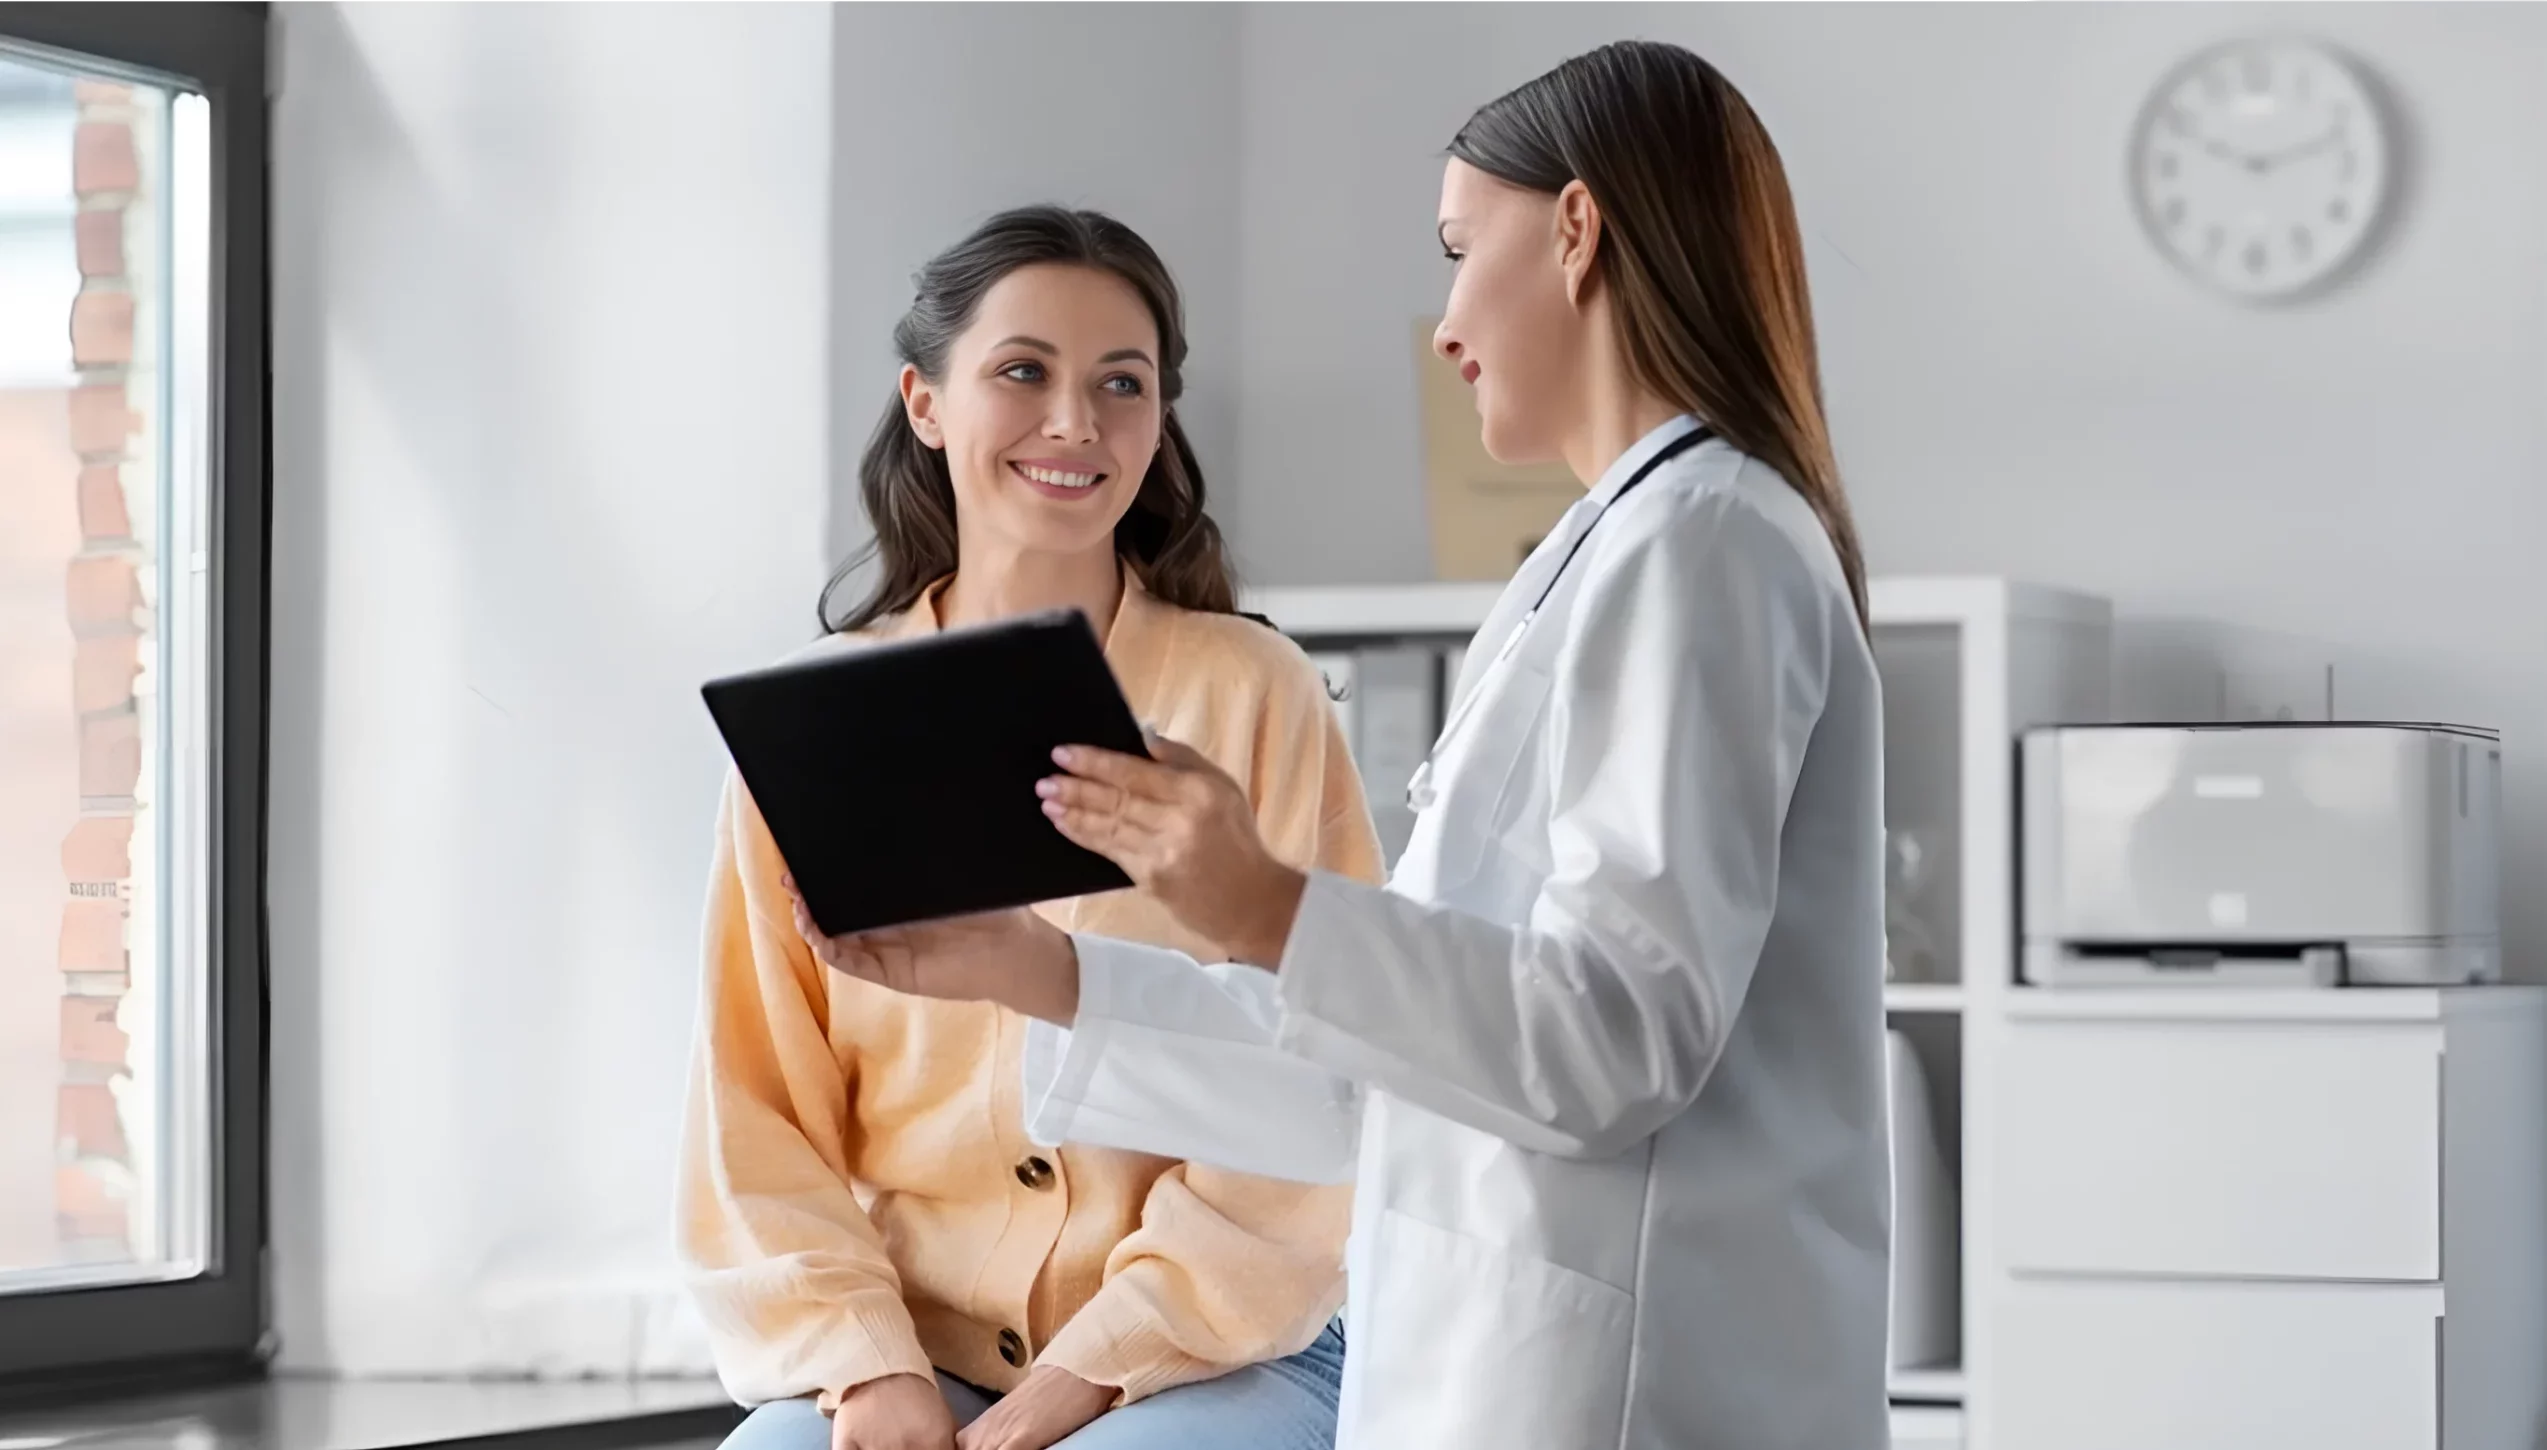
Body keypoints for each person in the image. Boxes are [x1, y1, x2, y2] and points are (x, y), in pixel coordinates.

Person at [789, 41, 1889, 1450]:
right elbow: (1373, 1080)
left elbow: (1613, 1041)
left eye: (1455, 247)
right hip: (1499, 1359)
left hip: (1621, 1384)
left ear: (1573, 229)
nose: (1443, 325)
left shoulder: (1706, 546)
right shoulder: (1621, 550)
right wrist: (1038, 971)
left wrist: (1268, 905)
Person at [681, 205, 1384, 1450]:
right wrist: (865, 1366)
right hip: (912, 1340)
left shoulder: (1253, 694)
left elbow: (1322, 1088)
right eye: (1023, 372)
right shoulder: (817, 726)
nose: (1076, 422)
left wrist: (1082, 1379)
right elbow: (756, 1115)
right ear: (926, 400)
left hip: (1218, 1344)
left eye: (1124, 382)